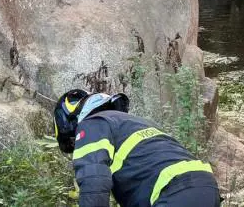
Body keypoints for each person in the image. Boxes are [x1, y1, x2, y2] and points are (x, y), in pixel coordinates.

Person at [54, 89, 220, 207]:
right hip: (206, 187)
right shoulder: (135, 123)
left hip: (171, 192)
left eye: (73, 143)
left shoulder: (91, 125)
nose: (77, 146)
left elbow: (94, 183)